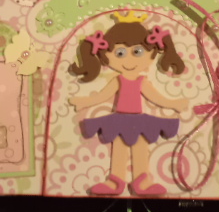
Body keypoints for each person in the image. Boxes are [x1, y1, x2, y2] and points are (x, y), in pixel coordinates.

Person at [68, 20, 187, 196]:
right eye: (120, 53)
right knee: (119, 149)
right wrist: (85, 102)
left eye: (137, 52)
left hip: (139, 121)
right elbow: (102, 96)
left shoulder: (142, 82)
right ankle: (115, 181)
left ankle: (142, 182)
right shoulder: (118, 80)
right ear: (106, 55)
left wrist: (173, 104)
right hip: (119, 120)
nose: (129, 60)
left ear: (151, 52)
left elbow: (155, 97)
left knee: (140, 149)